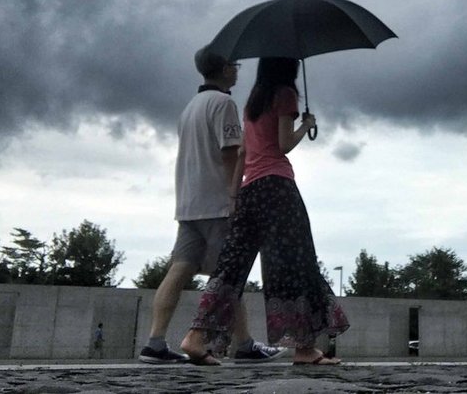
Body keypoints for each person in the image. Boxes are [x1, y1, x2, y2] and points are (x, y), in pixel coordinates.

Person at [181, 57, 349, 366]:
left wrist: (234, 195)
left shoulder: (252, 102)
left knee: (231, 267)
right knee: (295, 264)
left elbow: (244, 151)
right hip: (278, 188)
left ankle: (195, 336)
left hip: (249, 191)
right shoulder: (285, 95)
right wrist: (306, 126)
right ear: (288, 66)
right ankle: (304, 347)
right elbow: (284, 145)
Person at [139, 47, 285, 364]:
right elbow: (231, 152)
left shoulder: (190, 108)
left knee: (179, 271)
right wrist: (237, 194)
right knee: (228, 277)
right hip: (218, 203)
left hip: (188, 203)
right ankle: (244, 345)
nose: (237, 70)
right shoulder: (224, 103)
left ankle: (155, 342)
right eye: (234, 65)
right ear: (223, 69)